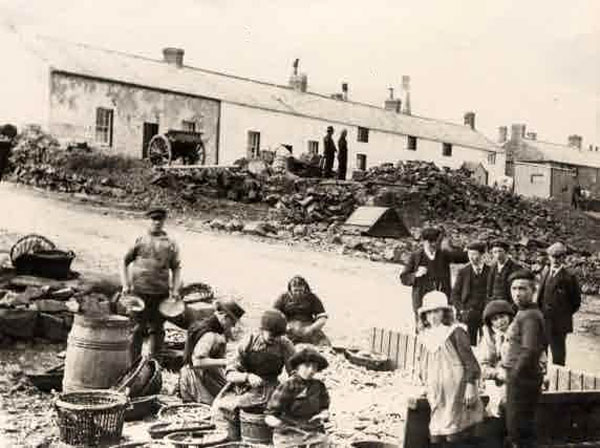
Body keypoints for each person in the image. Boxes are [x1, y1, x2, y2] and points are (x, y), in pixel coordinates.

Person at [212, 309, 296, 436]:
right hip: (243, 385)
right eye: (272, 334)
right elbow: (229, 373)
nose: (276, 338)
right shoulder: (249, 341)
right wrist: (247, 376)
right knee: (221, 406)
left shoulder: (285, 344)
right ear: (262, 330)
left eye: (279, 335)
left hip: (270, 386)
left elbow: (295, 373)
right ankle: (232, 438)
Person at [416, 291, 484, 447]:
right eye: (429, 312)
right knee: (437, 431)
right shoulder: (425, 336)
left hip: (456, 388)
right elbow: (423, 363)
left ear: (445, 312)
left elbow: (470, 362)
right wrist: (424, 384)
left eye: (437, 311)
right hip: (436, 390)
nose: (433, 316)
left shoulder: (455, 332)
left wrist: (470, 385)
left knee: (454, 432)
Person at [121, 207, 182, 359]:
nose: (156, 222)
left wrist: (175, 290)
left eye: (160, 219)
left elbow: (176, 268)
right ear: (148, 220)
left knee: (158, 329)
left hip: (160, 293)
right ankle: (133, 364)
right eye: (153, 219)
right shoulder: (139, 239)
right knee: (137, 329)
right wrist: (125, 284)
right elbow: (124, 262)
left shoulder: (170, 243)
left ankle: (155, 364)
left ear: (164, 221)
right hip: (139, 292)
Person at [502, 270, 546, 448]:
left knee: (518, 431)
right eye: (514, 288)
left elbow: (530, 350)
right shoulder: (522, 312)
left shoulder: (530, 316)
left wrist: (513, 376)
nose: (517, 293)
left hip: (523, 380)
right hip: (521, 379)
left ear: (533, 290)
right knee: (517, 429)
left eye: (523, 288)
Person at [179, 298, 245, 404]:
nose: (233, 326)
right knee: (224, 401)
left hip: (208, 372)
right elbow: (197, 362)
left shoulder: (214, 325)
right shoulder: (209, 335)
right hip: (196, 375)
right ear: (224, 317)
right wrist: (225, 362)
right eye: (232, 322)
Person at [400, 226, 468, 325]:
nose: (433, 244)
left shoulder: (443, 254)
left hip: (442, 299)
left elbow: (462, 257)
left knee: (443, 327)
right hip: (422, 300)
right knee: (423, 328)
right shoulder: (415, 257)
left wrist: (469, 250)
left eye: (435, 241)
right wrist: (416, 275)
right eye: (430, 241)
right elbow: (404, 278)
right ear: (423, 241)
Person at [265, 345, 330, 448]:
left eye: (314, 367)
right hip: (289, 433)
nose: (311, 370)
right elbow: (270, 415)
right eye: (307, 366)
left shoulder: (319, 386)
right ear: (298, 367)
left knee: (324, 442)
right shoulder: (288, 386)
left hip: (312, 431)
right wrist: (281, 425)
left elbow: (324, 407)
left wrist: (323, 414)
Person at [477, 300, 516, 448]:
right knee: (495, 404)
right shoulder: (488, 338)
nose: (499, 322)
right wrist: (497, 373)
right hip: (496, 381)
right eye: (494, 319)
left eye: (502, 317)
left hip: (517, 380)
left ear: (509, 317)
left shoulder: (519, 333)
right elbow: (483, 366)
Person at [537, 242, 581, 366]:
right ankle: (542, 378)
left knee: (558, 355)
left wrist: (562, 314)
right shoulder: (545, 272)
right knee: (541, 352)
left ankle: (558, 381)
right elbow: (540, 296)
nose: (555, 260)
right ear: (549, 257)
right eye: (553, 256)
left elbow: (576, 302)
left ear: (563, 258)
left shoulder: (569, 277)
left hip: (559, 324)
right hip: (544, 320)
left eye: (559, 257)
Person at [451, 241, 489, 346]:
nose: (471, 257)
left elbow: (493, 293)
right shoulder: (463, 272)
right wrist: (461, 309)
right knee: (468, 343)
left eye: (474, 254)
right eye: (469, 254)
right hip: (467, 312)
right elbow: (454, 294)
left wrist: (488, 309)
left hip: (485, 312)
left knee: (486, 342)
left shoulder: (490, 272)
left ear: (482, 255)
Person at [273, 275, 330, 346]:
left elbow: (322, 318)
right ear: (290, 289)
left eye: (300, 290)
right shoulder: (283, 298)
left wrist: (311, 328)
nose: (298, 293)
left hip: (308, 328)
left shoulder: (312, 298)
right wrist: (284, 326)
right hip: (288, 328)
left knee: (324, 344)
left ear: (305, 288)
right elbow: (273, 315)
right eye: (295, 290)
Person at [487, 240, 521, 306]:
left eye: (500, 251)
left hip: (508, 303)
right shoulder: (493, 267)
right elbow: (489, 287)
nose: (497, 255)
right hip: (494, 303)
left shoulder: (515, 267)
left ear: (506, 252)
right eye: (495, 252)